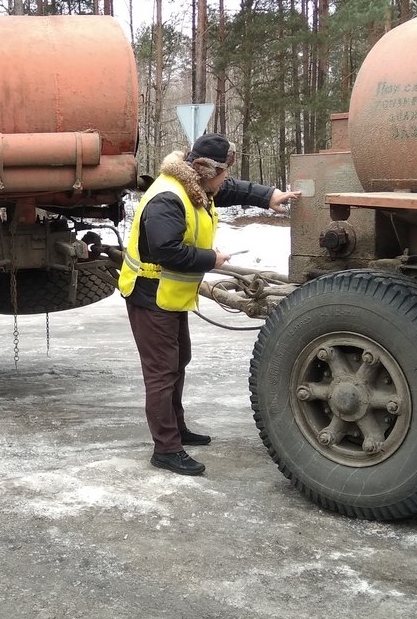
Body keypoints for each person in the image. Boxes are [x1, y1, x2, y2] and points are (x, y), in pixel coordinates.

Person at [118, 132, 301, 476]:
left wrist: (269, 195)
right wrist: (211, 259)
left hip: (168, 296)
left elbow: (231, 189)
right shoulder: (167, 199)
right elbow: (166, 251)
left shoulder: (195, 186)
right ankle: (166, 448)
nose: (225, 182)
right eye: (221, 175)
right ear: (204, 170)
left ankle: (177, 429)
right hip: (150, 295)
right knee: (161, 373)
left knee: (178, 361)